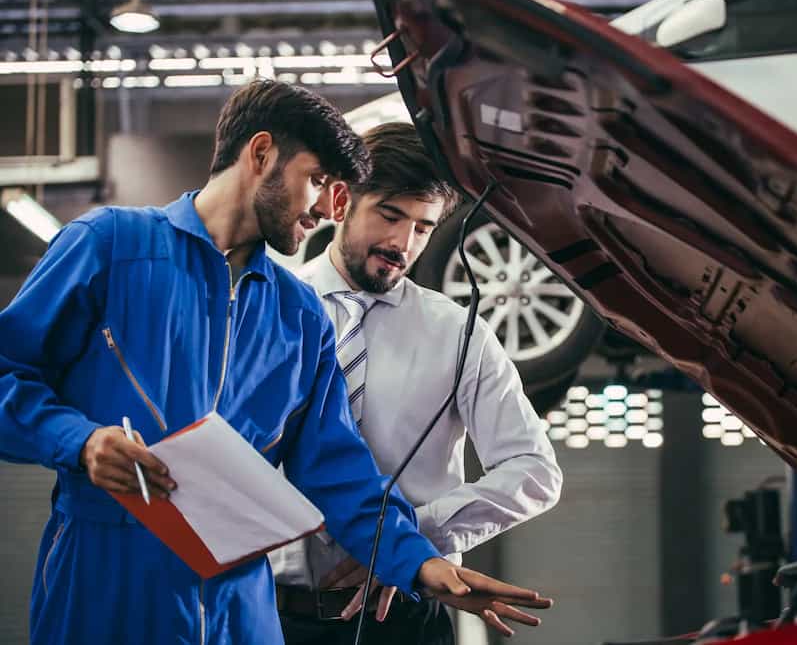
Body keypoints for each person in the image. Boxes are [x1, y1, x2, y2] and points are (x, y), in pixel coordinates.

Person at [0, 80, 551, 645]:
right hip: (105, 585)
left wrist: (421, 564)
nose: (325, 207)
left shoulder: (299, 313)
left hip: (242, 608)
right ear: (261, 155)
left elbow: (339, 470)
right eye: (317, 180)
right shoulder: (110, 246)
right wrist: (80, 441)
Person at [270, 123, 563, 644]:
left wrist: (406, 541)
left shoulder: (459, 333)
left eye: (423, 228)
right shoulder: (269, 308)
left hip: (402, 619)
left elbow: (535, 471)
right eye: (390, 215)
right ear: (341, 200)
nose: (403, 244)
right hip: (274, 617)